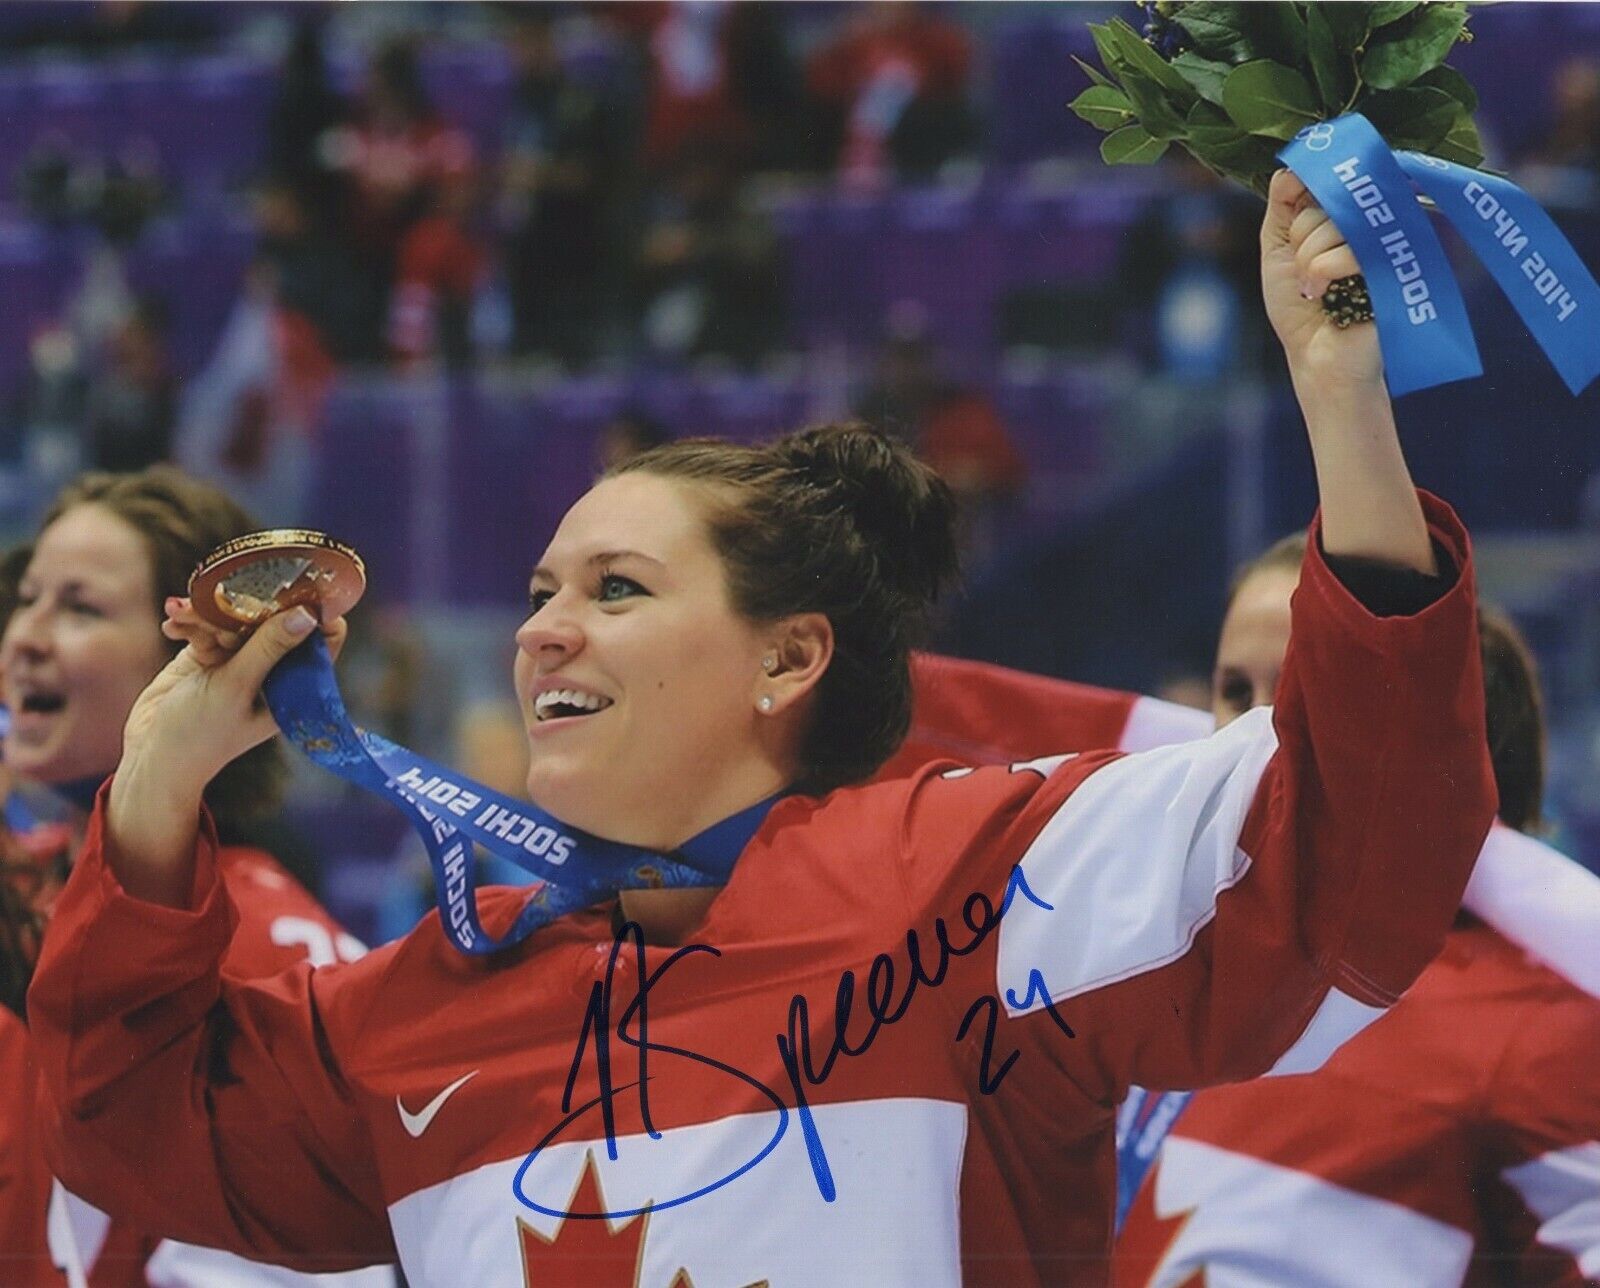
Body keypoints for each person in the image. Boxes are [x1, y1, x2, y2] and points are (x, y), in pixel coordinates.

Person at [29, 173, 1496, 1283]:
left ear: (788, 659)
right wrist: (158, 789)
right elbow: (124, 1127)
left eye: (618, 588)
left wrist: (1342, 403)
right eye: (542, 589)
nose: (544, 626)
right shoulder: (419, 1011)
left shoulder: (974, 882)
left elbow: (1354, 851)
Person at [1110, 538, 1600, 1286]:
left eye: (1300, 690)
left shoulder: (1534, 1028)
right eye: (1235, 692)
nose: (1255, 734)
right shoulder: (1141, 969)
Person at [0, 466, 387, 1286]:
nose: (23, 635)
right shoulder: (35, 883)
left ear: (198, 656)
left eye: (79, 608)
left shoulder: (269, 952)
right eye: (26, 598)